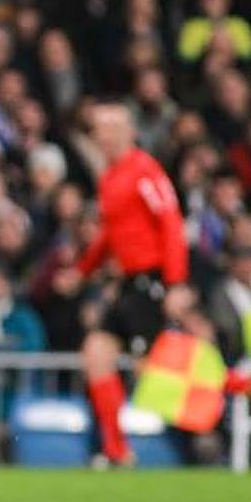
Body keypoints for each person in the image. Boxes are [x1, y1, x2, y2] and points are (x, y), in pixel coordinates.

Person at [74, 102, 189, 467]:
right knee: (96, 353)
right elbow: (110, 234)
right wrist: (82, 270)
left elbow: (170, 222)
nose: (102, 136)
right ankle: (117, 450)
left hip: (150, 280)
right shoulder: (110, 177)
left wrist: (175, 284)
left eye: (109, 128)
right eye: (99, 129)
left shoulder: (145, 171)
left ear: (128, 132)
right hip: (127, 283)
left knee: (157, 369)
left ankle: (238, 393)